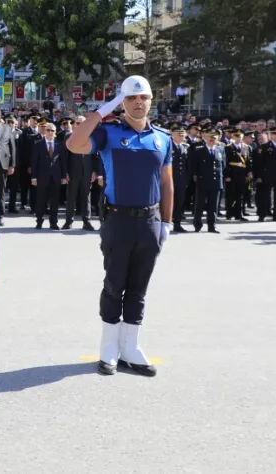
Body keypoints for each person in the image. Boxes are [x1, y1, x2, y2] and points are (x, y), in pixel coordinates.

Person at [65, 75, 173, 378]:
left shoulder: (162, 138)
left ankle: (131, 347)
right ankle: (109, 347)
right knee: (114, 284)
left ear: (151, 100)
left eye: (143, 98)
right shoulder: (109, 133)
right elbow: (74, 144)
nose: (138, 103)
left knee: (139, 287)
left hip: (150, 221)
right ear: (122, 103)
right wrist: (101, 112)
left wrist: (167, 221)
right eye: (130, 98)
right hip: (118, 219)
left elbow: (167, 182)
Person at [31, 121, 67, 230]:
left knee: (55, 202)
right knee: (41, 200)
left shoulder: (60, 144)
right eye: (48, 130)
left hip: (56, 177)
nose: (50, 132)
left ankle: (53, 222)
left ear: (55, 132)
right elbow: (34, 162)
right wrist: (34, 177)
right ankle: (39, 221)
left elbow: (63, 161)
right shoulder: (38, 144)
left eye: (52, 130)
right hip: (42, 177)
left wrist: (64, 176)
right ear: (44, 131)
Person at [191, 128, 223, 234]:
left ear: (217, 138)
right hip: (203, 181)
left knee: (213, 206)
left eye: (214, 137)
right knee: (199, 205)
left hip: (216, 182)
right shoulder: (199, 151)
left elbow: (223, 166)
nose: (212, 139)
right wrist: (196, 176)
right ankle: (197, 225)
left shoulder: (220, 150)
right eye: (210, 137)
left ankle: (212, 226)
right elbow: (194, 166)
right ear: (205, 137)